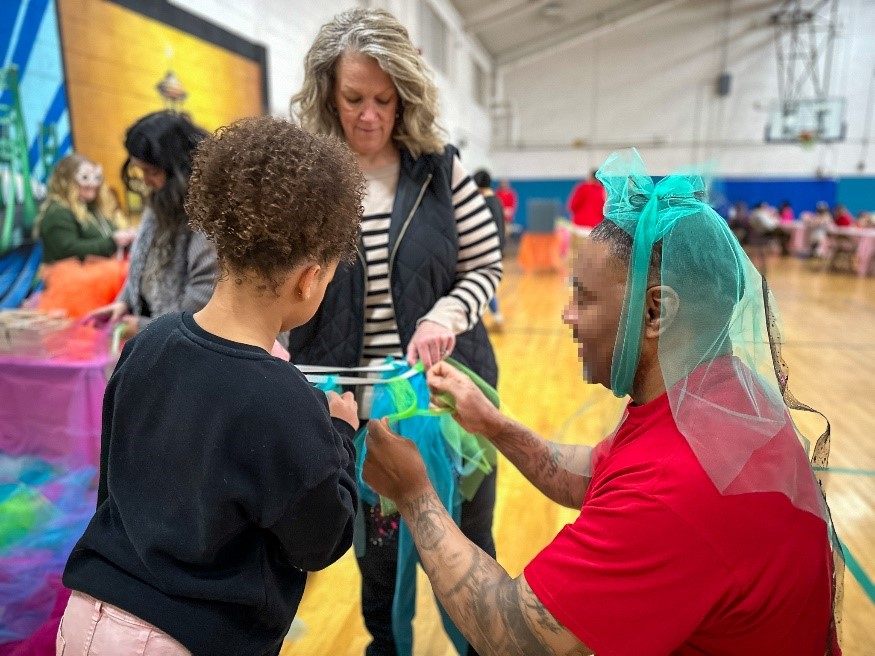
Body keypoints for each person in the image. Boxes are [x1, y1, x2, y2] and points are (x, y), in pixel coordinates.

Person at [363, 149, 841, 656]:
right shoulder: (714, 394)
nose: (568, 316)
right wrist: (492, 423)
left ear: (654, 311)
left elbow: (512, 635)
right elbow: (594, 476)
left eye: (585, 298)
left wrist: (413, 493)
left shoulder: (673, 490)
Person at [59, 116, 364, 656]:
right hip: (181, 639)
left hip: (84, 618)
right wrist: (340, 437)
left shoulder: (146, 346)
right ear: (308, 278)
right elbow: (320, 540)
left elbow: (116, 485)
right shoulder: (284, 400)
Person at [288, 8, 502, 655]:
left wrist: (445, 313)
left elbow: (484, 263)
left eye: (384, 100)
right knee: (378, 551)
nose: (369, 116)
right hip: (352, 399)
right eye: (354, 98)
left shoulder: (438, 169)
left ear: (404, 97)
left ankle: (482, 645)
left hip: (439, 392)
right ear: (328, 90)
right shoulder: (307, 174)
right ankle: (387, 646)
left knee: (464, 537)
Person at [86, 111, 217, 337]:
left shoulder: (205, 216)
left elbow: (203, 302)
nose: (146, 180)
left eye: (152, 171)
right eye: (141, 171)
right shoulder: (161, 202)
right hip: (162, 332)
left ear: (180, 168)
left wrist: (142, 328)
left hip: (185, 343)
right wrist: (125, 303)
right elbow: (142, 266)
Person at [34, 154, 135, 264]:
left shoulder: (98, 208)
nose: (92, 184)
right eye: (85, 178)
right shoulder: (57, 212)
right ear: (67, 182)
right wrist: (112, 242)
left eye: (96, 177)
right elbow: (68, 251)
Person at [473, 168, 505, 327]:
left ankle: (495, 315)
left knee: (484, 285)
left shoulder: (483, 203)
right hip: (496, 250)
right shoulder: (497, 201)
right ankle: (491, 313)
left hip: (487, 251)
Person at [567, 168, 605, 234]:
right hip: (595, 226)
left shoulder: (582, 187)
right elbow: (604, 210)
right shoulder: (603, 190)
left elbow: (572, 206)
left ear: (590, 177)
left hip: (580, 225)